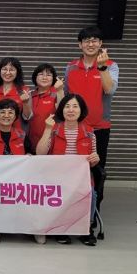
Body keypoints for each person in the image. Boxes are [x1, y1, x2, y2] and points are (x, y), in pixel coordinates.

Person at [64, 26, 119, 213]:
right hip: (74, 128)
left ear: (100, 43)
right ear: (80, 45)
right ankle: (70, 210)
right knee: (71, 170)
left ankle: (93, 213)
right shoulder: (71, 67)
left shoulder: (111, 65)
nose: (90, 44)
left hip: (99, 128)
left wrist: (102, 68)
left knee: (96, 170)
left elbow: (109, 89)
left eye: (95, 40)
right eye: (86, 40)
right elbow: (66, 97)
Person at [36, 94, 100, 246]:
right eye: (67, 106)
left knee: (91, 194)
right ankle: (61, 228)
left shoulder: (90, 133)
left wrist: (95, 158)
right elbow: (40, 153)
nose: (71, 110)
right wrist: (47, 129)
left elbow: (92, 160)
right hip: (56, 178)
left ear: (81, 110)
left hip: (80, 179)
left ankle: (86, 229)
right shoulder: (54, 130)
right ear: (62, 110)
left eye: (75, 106)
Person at [0, 99, 41, 245]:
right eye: (2, 112)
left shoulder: (22, 134)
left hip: (18, 178)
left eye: (10, 112)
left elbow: (31, 154)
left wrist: (29, 157)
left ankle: (35, 228)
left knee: (35, 191)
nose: (6, 115)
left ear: (15, 117)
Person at [28, 63, 64, 152]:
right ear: (35, 77)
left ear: (53, 78)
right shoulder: (29, 95)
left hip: (51, 145)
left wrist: (60, 91)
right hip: (30, 144)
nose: (44, 77)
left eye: (48, 75)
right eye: (41, 74)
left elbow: (62, 112)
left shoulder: (57, 94)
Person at [0, 57, 32, 129]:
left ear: (17, 72)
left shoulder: (24, 91)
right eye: (4, 69)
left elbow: (27, 116)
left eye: (12, 70)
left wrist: (25, 102)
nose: (7, 73)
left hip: (16, 133)